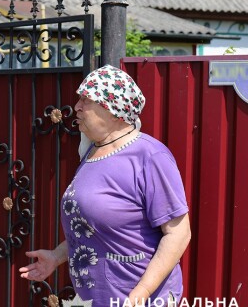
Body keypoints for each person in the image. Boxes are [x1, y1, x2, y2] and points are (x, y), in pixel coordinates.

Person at [19, 65, 191, 307]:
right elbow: (93, 230)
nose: (77, 106)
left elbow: (178, 234)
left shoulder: (150, 156)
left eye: (86, 99)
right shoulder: (92, 153)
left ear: (113, 110)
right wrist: (55, 257)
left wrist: (138, 297)